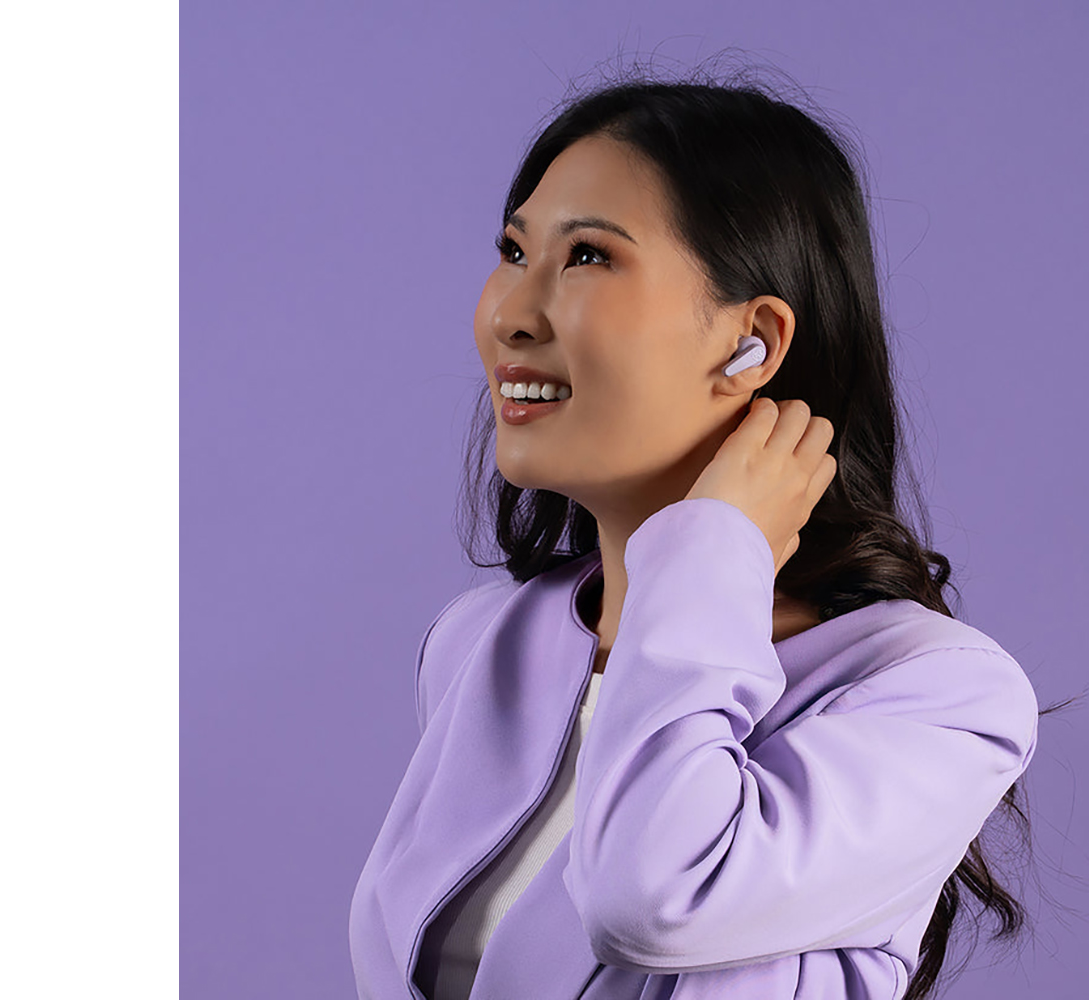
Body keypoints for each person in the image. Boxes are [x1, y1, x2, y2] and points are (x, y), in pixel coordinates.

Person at [349, 70, 1041, 1000]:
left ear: (752, 342)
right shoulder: (481, 646)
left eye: (587, 256)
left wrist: (716, 544)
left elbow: (653, 895)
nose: (508, 314)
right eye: (514, 251)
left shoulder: (940, 694)